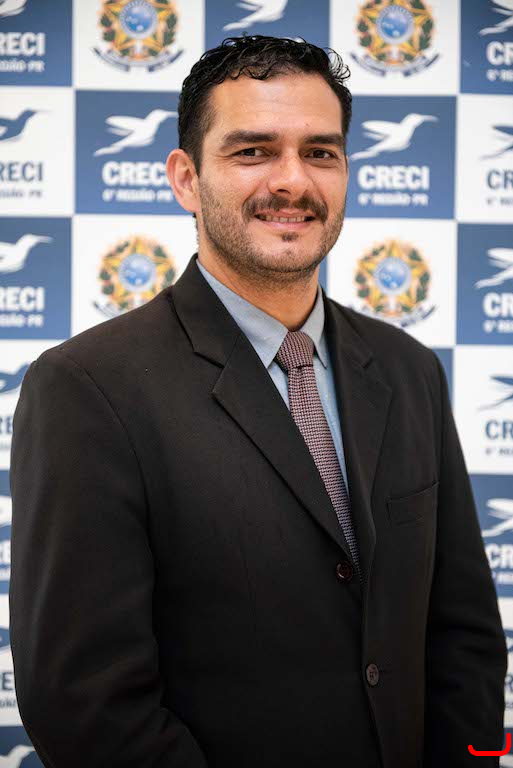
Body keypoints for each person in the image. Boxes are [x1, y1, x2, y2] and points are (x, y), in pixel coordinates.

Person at [9, 35, 506, 768]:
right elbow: (83, 704)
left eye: (320, 152)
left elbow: (464, 638)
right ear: (186, 178)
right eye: (252, 151)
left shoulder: (408, 370)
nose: (292, 180)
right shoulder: (87, 387)